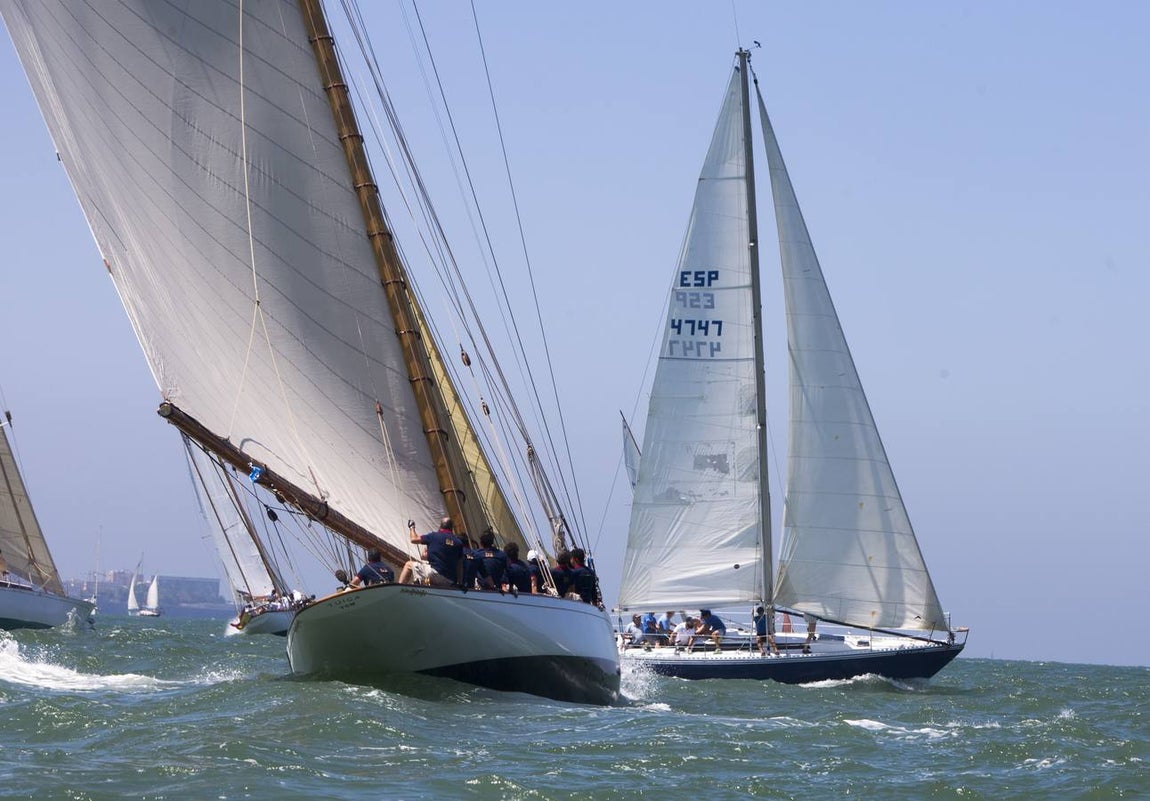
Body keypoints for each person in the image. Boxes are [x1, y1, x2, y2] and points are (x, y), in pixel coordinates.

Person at [398, 516, 464, 587]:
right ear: (452, 528)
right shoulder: (458, 543)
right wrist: (459, 583)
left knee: (408, 565)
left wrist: (412, 527)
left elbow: (413, 539)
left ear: (440, 526)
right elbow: (460, 565)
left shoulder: (433, 536)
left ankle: (398, 589)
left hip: (435, 575)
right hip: (450, 581)